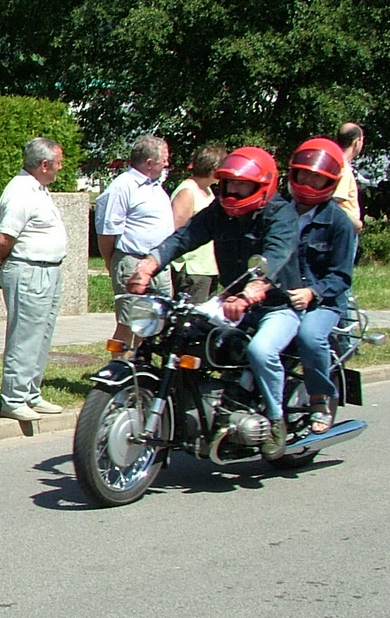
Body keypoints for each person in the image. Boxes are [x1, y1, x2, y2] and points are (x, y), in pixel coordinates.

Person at [126, 146, 299, 459]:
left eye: (241, 185)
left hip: (276, 305)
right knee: (183, 334)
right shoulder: (220, 210)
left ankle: (276, 420)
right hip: (231, 300)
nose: (232, 191)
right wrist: (150, 264)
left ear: (262, 185)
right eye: (229, 184)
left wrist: (254, 289)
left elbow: (276, 253)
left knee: (260, 351)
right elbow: (186, 236)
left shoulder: (280, 214)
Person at [285, 138, 358, 433]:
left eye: (316, 177)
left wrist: (312, 292)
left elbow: (341, 276)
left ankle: (319, 399)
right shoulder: (278, 212)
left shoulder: (339, 223)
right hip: (282, 297)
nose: (308, 181)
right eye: (304, 174)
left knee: (310, 336)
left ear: (330, 181)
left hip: (324, 302)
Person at [0, 137, 68, 422]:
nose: (61, 168)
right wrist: (2, 261)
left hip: (49, 270)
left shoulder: (39, 189)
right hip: (29, 270)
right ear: (44, 164)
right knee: (24, 336)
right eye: (58, 163)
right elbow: (5, 238)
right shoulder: (21, 192)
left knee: (42, 335)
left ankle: (30, 394)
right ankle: (13, 399)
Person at [99, 135, 175, 351]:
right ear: (149, 163)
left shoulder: (156, 187)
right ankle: (118, 367)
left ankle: (141, 365)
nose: (167, 164)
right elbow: (107, 232)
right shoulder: (122, 187)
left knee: (153, 323)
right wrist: (111, 262)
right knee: (128, 322)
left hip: (158, 264)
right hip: (133, 262)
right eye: (164, 159)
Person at [169, 145, 224, 300]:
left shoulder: (207, 190)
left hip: (207, 268)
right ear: (213, 169)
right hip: (192, 270)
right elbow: (177, 232)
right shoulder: (187, 191)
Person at [333, 122, 366, 232]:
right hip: (343, 230)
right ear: (357, 142)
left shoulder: (334, 163)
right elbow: (334, 203)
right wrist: (357, 223)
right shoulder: (343, 168)